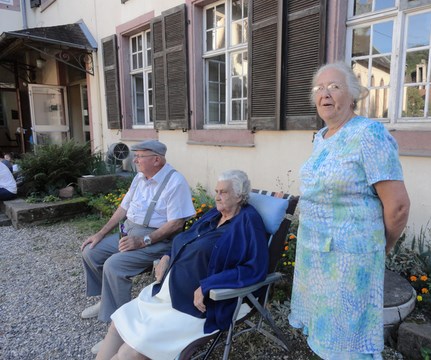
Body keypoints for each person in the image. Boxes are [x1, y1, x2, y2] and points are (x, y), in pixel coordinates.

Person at [288, 62, 410, 359]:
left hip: (349, 261)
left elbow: (398, 207)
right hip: (315, 255)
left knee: (350, 342)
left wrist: (384, 245)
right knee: (325, 335)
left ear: (353, 96)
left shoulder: (369, 134)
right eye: (319, 88)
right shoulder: (321, 138)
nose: (325, 94)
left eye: (334, 86)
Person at [95, 169, 268, 360]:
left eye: (223, 192)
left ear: (239, 195)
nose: (217, 197)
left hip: (193, 307)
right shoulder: (213, 215)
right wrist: (167, 257)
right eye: (216, 191)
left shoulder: (248, 223)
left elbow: (253, 269)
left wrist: (208, 285)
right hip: (166, 293)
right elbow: (186, 240)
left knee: (131, 352)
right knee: (118, 324)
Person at [80, 140, 196, 332]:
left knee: (114, 265)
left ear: (156, 160)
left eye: (140, 156)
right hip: (129, 232)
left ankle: (119, 329)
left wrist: (143, 241)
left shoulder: (176, 182)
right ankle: (107, 299)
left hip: (158, 240)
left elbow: (177, 223)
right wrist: (100, 234)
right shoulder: (140, 178)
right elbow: (123, 208)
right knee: (91, 251)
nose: (135, 160)